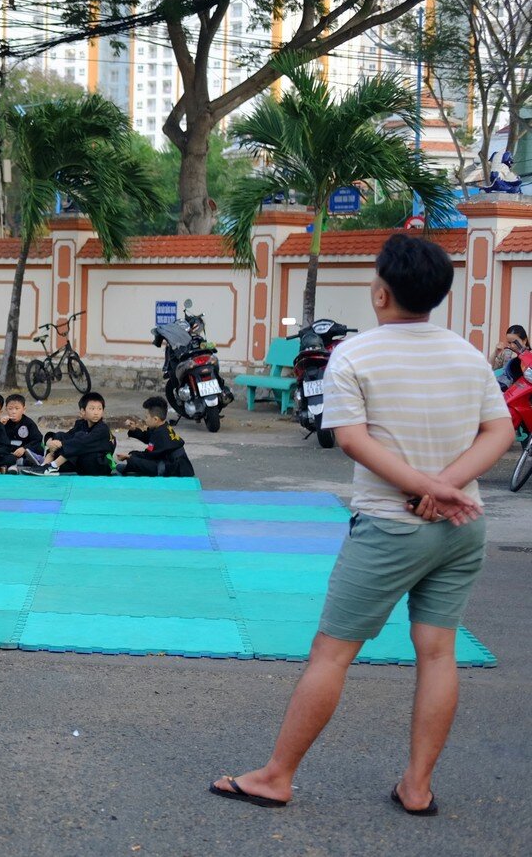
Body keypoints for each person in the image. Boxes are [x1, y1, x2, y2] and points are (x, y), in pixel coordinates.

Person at [209, 233, 512, 814]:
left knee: (331, 653)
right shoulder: (468, 353)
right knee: (438, 652)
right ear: (440, 295)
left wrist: (427, 488)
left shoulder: (355, 354)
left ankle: (277, 776)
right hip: (462, 525)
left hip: (390, 523)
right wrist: (446, 487)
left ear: (379, 293)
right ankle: (417, 788)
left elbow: (350, 439)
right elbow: (498, 433)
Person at [23, 391, 114, 476]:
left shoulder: (102, 429)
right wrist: (50, 441)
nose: (96, 412)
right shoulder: (81, 424)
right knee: (61, 436)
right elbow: (67, 436)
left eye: (99, 409)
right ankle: (44, 465)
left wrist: (62, 444)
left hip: (99, 466)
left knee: (77, 440)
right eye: (92, 409)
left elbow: (82, 443)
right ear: (83, 412)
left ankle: (52, 467)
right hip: (82, 463)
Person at [117, 396, 195, 477]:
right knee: (136, 457)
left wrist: (129, 457)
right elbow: (148, 437)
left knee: (138, 459)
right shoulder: (162, 427)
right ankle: (131, 466)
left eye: (146, 417)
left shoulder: (160, 434)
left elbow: (148, 456)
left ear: (155, 419)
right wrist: (134, 429)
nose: (145, 420)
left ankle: (130, 467)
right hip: (176, 464)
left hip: (176, 470)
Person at [3, 392, 44, 470]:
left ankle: (27, 461)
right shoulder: (4, 422)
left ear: (24, 410)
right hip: (11, 451)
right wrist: (1, 425)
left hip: (25, 450)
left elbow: (37, 439)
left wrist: (24, 448)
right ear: (6, 410)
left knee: (39, 448)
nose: (13, 411)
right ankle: (15, 463)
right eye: (10, 408)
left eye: (17, 408)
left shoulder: (29, 423)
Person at [491, 324, 527, 388]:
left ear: (524, 341)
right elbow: (491, 368)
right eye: (509, 343)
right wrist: (495, 353)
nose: (512, 346)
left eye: (515, 342)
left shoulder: (529, 355)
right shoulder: (506, 353)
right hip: (506, 391)